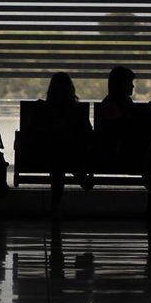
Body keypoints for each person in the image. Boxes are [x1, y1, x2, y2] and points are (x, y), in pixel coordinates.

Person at [42, 72, 94, 205]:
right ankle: (78, 174)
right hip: (73, 153)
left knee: (57, 158)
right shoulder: (77, 111)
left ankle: (56, 205)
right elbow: (88, 133)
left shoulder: (44, 110)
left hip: (48, 153)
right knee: (62, 152)